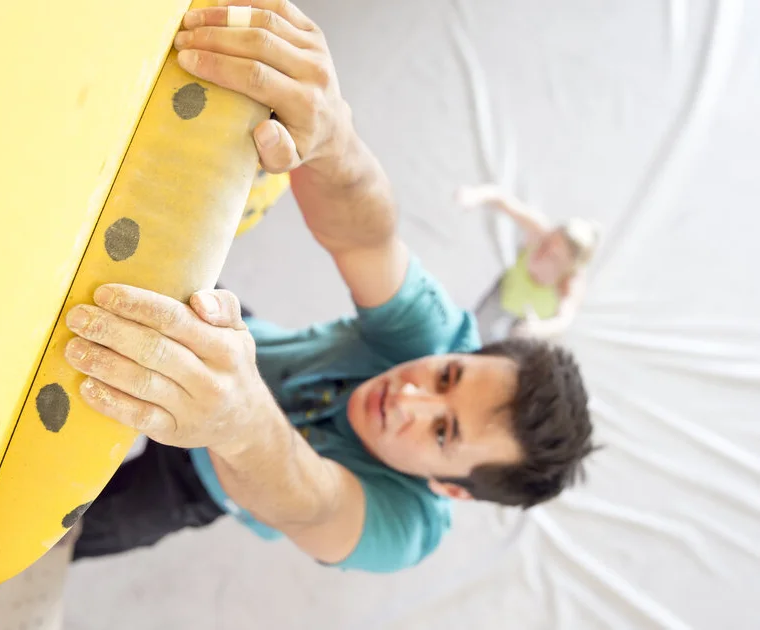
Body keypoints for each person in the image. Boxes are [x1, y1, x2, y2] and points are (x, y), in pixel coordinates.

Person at [61, 0, 597, 574]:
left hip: (203, 479)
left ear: (453, 489)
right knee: (134, 236)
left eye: (443, 432)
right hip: (241, 341)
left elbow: (312, 502)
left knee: (61, 541)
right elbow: (367, 240)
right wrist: (336, 141)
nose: (410, 396)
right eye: (448, 376)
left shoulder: (405, 528)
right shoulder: (440, 336)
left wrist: (237, 421)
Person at [456, 185, 600, 343]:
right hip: (506, 293)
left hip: (531, 318)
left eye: (553, 256)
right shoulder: (539, 231)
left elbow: (563, 320)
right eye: (546, 243)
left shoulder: (571, 282)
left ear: (567, 265)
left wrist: (539, 328)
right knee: (474, 332)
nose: (543, 252)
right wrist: (474, 196)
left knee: (508, 350)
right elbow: (500, 198)